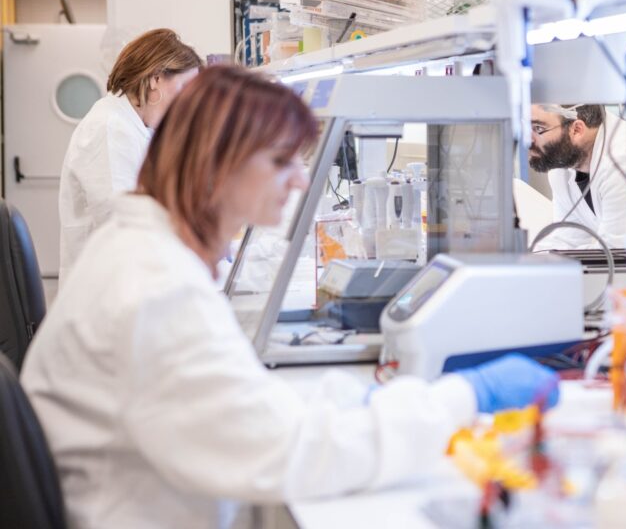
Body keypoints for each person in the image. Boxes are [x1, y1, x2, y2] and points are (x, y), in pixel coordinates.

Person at [22, 65, 559, 529]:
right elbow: (295, 453)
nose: (301, 179)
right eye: (281, 161)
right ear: (217, 165)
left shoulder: (140, 250)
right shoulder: (155, 289)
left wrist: (359, 401)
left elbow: (241, 405)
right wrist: (463, 397)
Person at [58, 28, 201, 281]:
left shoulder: (131, 125)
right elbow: (122, 224)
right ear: (156, 79)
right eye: (184, 89)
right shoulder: (110, 127)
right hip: (108, 286)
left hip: (126, 275)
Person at [529, 103, 626, 250]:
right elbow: (566, 241)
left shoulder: (620, 161)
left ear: (577, 129)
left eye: (538, 129)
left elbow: (617, 251)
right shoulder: (561, 169)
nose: (528, 140)